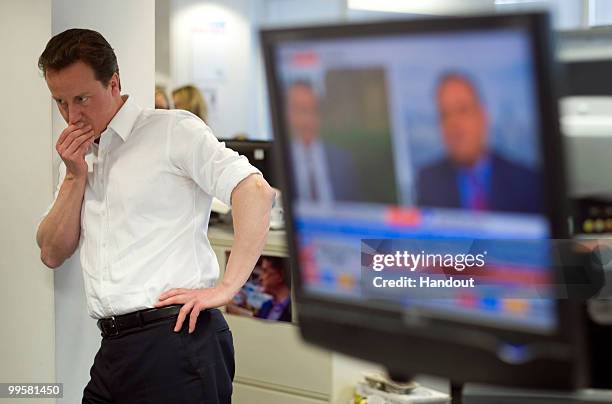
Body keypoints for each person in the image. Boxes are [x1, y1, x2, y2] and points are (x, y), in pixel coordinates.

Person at [35, 29, 275, 403]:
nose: (72, 115)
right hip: (114, 347)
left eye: (82, 98)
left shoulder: (172, 130)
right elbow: (51, 251)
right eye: (60, 102)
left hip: (177, 339)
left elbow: (255, 191)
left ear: (114, 83)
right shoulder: (77, 160)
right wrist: (74, 175)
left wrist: (229, 287)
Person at [416, 72, 542, 214]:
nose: (453, 124)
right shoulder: (427, 180)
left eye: (462, 110)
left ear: (483, 116)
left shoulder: (526, 181)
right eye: (444, 115)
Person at [287, 80, 360, 203]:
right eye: (300, 110)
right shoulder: (281, 159)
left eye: (312, 110)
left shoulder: (343, 160)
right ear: (288, 113)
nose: (306, 120)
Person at [254, 257, 291, 322]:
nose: (260, 278)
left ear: (280, 276)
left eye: (265, 271)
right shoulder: (266, 306)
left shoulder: (294, 311)